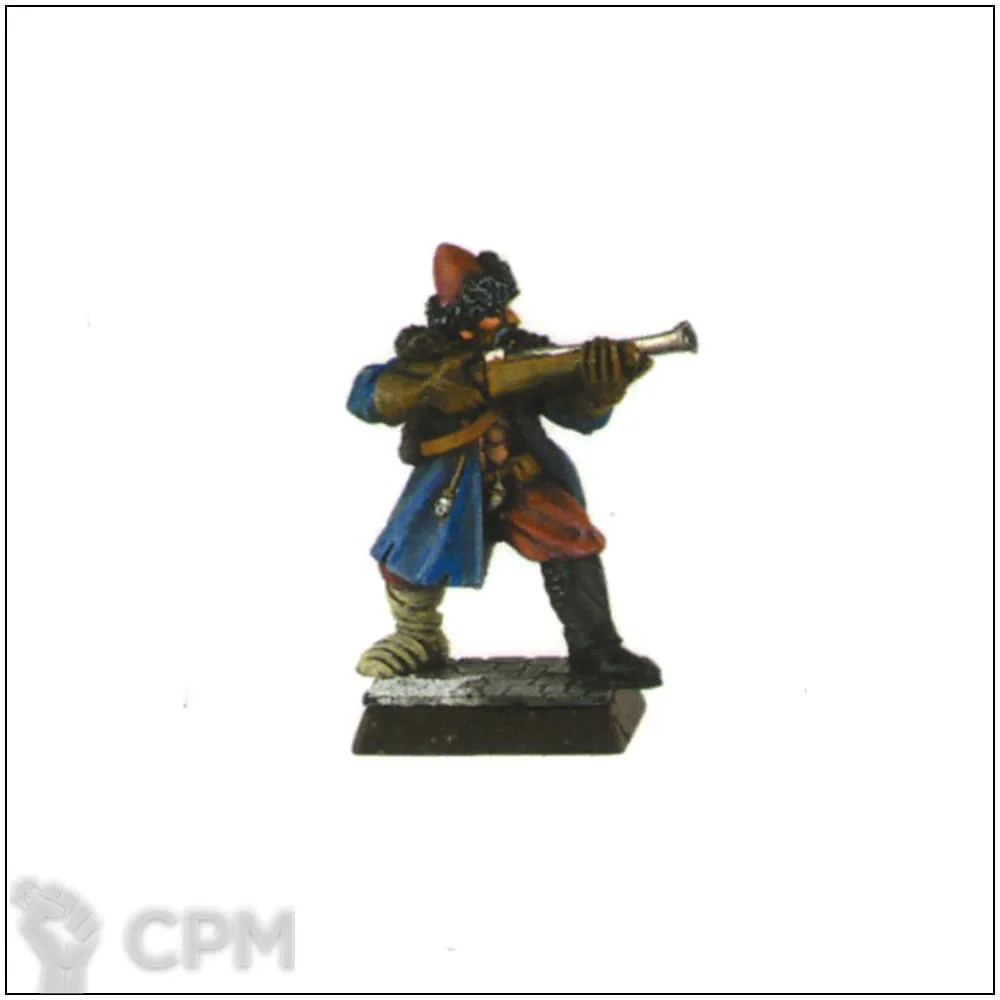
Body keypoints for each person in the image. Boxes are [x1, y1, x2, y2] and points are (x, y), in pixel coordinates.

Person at [347, 243, 660, 688]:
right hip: (448, 484)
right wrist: (428, 391)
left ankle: (595, 647)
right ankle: (417, 638)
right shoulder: (424, 361)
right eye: (494, 312)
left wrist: (601, 391)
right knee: (408, 554)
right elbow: (365, 395)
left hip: (520, 481)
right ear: (463, 321)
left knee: (573, 539)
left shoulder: (525, 355)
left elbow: (577, 415)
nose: (510, 318)